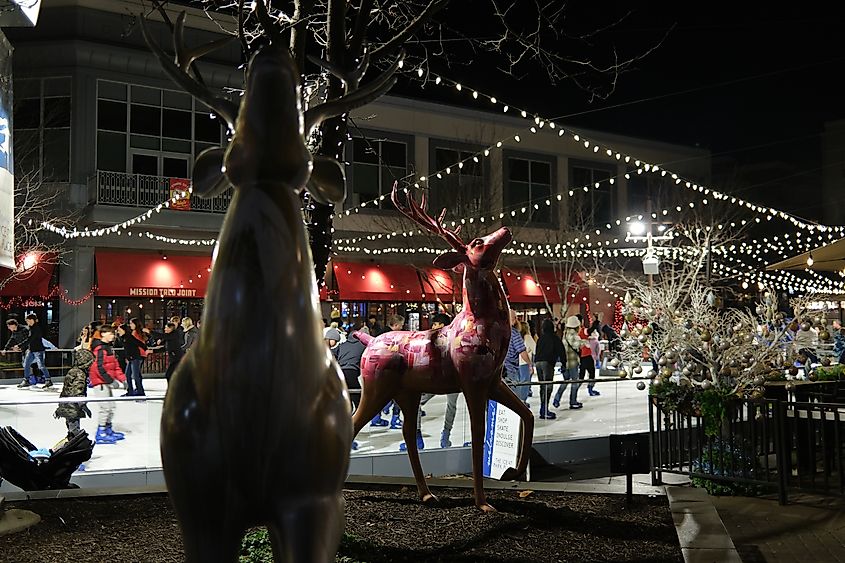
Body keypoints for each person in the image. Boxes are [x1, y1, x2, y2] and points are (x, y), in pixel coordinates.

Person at [400, 312, 454, 452]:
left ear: (441, 325)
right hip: (445, 377)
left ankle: (420, 437)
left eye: (435, 324)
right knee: (449, 406)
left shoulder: (436, 338)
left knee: (417, 402)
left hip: (439, 378)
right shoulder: (451, 338)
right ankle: (441, 436)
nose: (433, 326)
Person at [88, 325, 127, 444]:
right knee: (105, 407)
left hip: (106, 382)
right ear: (103, 334)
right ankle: (101, 433)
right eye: (110, 333)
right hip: (100, 383)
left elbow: (115, 365)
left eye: (113, 333)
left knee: (111, 406)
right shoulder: (100, 349)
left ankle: (108, 429)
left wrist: (122, 379)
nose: (113, 336)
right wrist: (111, 381)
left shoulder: (108, 348)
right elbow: (98, 368)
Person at [54, 347, 95, 440]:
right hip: (73, 408)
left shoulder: (72, 371)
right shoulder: (80, 374)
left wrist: (60, 407)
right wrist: (84, 406)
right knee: (75, 431)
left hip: (65, 404)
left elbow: (66, 390)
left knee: (71, 428)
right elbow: (77, 391)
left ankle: (72, 441)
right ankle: (75, 444)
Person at [534, 318, 564, 419]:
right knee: (548, 387)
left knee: (543, 386)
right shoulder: (554, 338)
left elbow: (537, 350)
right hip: (547, 363)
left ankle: (543, 408)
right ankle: (544, 409)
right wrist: (564, 364)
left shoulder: (541, 338)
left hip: (538, 363)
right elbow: (561, 350)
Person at [552, 315, 585, 409]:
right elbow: (576, 345)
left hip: (566, 361)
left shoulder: (565, 333)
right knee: (575, 381)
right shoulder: (572, 334)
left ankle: (557, 399)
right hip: (571, 361)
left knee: (566, 381)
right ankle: (573, 401)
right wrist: (584, 342)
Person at [505, 310, 533, 407]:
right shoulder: (513, 333)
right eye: (515, 317)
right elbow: (522, 351)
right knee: (513, 398)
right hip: (510, 370)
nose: (516, 319)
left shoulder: (498, 332)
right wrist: (529, 364)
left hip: (499, 370)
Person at [23, 313, 53, 388]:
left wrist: (20, 345)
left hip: (38, 350)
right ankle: (26, 380)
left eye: (29, 320)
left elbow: (30, 339)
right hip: (31, 350)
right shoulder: (30, 328)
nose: (28, 322)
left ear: (33, 320)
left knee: (41, 366)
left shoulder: (36, 329)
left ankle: (48, 380)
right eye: (27, 321)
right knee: (26, 364)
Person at [122, 318, 148, 397]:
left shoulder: (134, 333)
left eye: (131, 323)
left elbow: (135, 344)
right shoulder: (140, 332)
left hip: (136, 355)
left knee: (135, 374)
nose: (130, 325)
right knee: (133, 374)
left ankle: (138, 390)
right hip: (139, 355)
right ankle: (135, 390)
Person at [579, 317, 601, 397]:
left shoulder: (574, 332)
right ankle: (590, 389)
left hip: (581, 356)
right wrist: (597, 322)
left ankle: (573, 395)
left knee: (581, 376)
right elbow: (591, 329)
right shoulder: (582, 330)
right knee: (591, 374)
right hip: (586, 355)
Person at [5, 319, 31, 388]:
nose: (8, 328)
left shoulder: (24, 329)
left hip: (30, 349)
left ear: (13, 325)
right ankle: (29, 379)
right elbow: (11, 340)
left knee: (28, 364)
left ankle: (27, 380)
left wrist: (19, 346)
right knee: (25, 364)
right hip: (24, 350)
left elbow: (28, 340)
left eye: (9, 326)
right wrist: (6, 349)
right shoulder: (14, 332)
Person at [519, 321, 536, 401]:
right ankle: (522, 401)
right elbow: (535, 348)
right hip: (525, 363)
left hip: (516, 363)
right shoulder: (527, 337)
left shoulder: (517, 337)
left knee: (519, 383)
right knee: (525, 383)